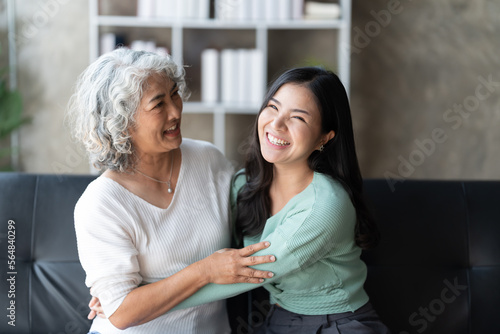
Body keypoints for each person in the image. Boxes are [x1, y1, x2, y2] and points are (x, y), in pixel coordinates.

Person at [158, 67, 391, 333]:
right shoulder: (244, 185)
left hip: (338, 323)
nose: (277, 125)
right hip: (278, 321)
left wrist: (148, 301)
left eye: (298, 118)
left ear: (325, 138)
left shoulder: (326, 205)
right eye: (273, 107)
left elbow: (249, 272)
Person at [68, 48, 276, 334]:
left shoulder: (207, 159)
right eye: (158, 104)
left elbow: (252, 221)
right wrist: (205, 271)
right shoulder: (101, 203)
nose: (176, 111)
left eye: (174, 94)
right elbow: (121, 313)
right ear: (123, 122)